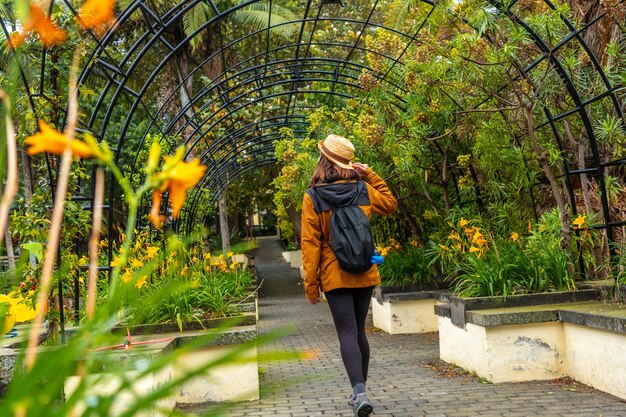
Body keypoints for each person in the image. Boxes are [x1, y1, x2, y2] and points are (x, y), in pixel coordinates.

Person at [301, 134, 397, 417]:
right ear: (347, 162)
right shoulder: (363, 189)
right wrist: (371, 175)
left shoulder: (313, 196)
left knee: (346, 331)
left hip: (334, 274)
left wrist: (311, 286)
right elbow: (391, 204)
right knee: (359, 331)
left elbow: (310, 244)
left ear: (322, 160)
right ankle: (360, 392)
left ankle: (359, 393)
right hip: (364, 270)